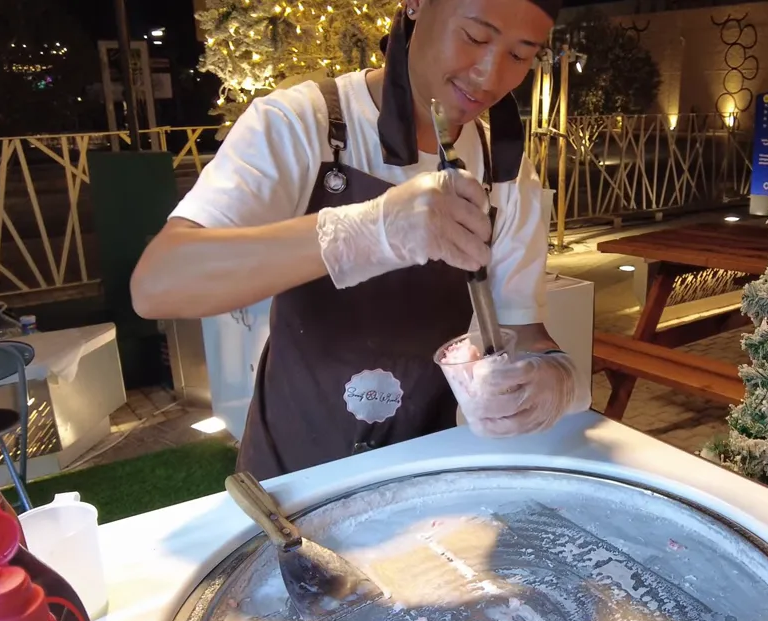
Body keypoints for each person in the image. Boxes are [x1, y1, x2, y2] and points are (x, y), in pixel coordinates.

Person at [130, 0, 589, 479]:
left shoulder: (507, 174)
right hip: (289, 479)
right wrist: (366, 231)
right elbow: (159, 283)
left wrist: (549, 377)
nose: (490, 76)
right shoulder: (303, 122)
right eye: (475, 37)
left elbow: (523, 334)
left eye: (520, 55)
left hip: (420, 477)